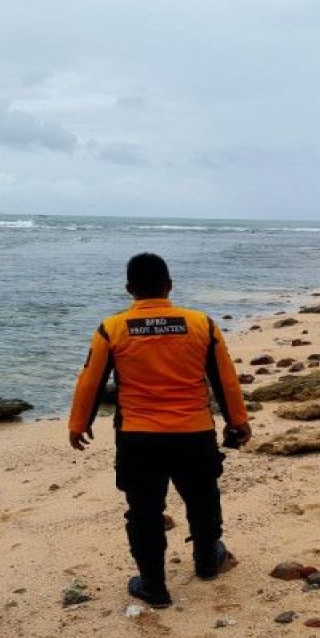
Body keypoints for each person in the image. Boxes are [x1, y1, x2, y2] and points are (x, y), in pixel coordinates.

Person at [67, 252, 251, 608]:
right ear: (169, 286)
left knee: (144, 510)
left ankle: (154, 586)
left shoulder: (112, 328)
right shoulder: (201, 324)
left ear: (129, 289)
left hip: (139, 437)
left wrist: (79, 424)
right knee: (202, 498)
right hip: (194, 432)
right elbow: (224, 379)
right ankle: (207, 562)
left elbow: (90, 381)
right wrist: (237, 420)